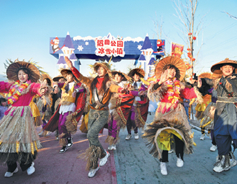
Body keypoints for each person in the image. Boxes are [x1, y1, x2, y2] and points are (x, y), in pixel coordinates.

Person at [64, 56, 125, 178]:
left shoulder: (109, 83)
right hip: (91, 112)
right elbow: (80, 77)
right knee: (92, 141)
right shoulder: (91, 81)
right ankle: (93, 165)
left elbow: (116, 88)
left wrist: (123, 89)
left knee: (91, 135)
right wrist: (71, 67)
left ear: (106, 70)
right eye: (98, 68)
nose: (99, 70)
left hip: (102, 113)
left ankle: (103, 154)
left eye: (102, 69)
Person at [143, 56, 203, 175]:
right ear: (165, 71)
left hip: (177, 111)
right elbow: (152, 92)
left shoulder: (179, 84)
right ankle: (163, 163)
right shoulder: (159, 82)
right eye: (170, 69)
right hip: (164, 111)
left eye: (174, 70)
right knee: (163, 136)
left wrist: (197, 87)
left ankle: (180, 156)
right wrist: (160, 82)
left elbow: (187, 93)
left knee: (179, 134)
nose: (172, 72)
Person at [0, 60, 48, 177]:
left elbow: (37, 88)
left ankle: (27, 164)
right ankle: (11, 167)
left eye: (24, 74)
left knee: (23, 139)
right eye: (19, 74)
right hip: (10, 115)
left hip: (23, 115)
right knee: (7, 138)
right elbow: (2, 85)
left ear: (28, 76)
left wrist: (42, 89)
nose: (21, 76)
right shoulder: (12, 85)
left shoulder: (30, 86)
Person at [199, 58, 237, 173]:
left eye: (230, 67)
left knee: (235, 134)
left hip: (233, 109)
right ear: (221, 69)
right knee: (220, 135)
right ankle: (226, 159)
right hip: (220, 109)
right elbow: (206, 82)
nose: (227, 69)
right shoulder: (217, 80)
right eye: (225, 67)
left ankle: (230, 157)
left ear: (233, 69)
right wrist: (198, 81)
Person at [44, 68, 86, 153]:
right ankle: (64, 144)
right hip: (62, 107)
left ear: (73, 76)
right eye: (66, 75)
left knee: (64, 123)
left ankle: (69, 139)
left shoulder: (76, 84)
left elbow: (83, 89)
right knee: (60, 125)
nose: (67, 77)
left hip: (70, 106)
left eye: (69, 75)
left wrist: (76, 90)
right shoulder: (64, 84)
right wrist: (55, 86)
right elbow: (55, 82)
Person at [106, 71, 133, 150]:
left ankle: (114, 143)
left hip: (119, 109)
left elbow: (131, 93)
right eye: (115, 76)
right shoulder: (110, 85)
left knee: (115, 126)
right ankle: (110, 141)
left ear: (122, 78)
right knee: (110, 126)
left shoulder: (125, 85)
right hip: (109, 108)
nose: (117, 78)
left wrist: (137, 93)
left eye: (119, 76)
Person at [125, 68, 149, 140]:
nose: (137, 77)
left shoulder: (142, 85)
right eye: (135, 75)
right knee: (127, 120)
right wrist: (137, 93)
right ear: (133, 76)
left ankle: (135, 132)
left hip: (136, 105)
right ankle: (129, 133)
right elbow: (128, 92)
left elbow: (142, 92)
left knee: (133, 119)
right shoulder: (129, 84)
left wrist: (139, 93)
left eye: (138, 76)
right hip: (128, 104)